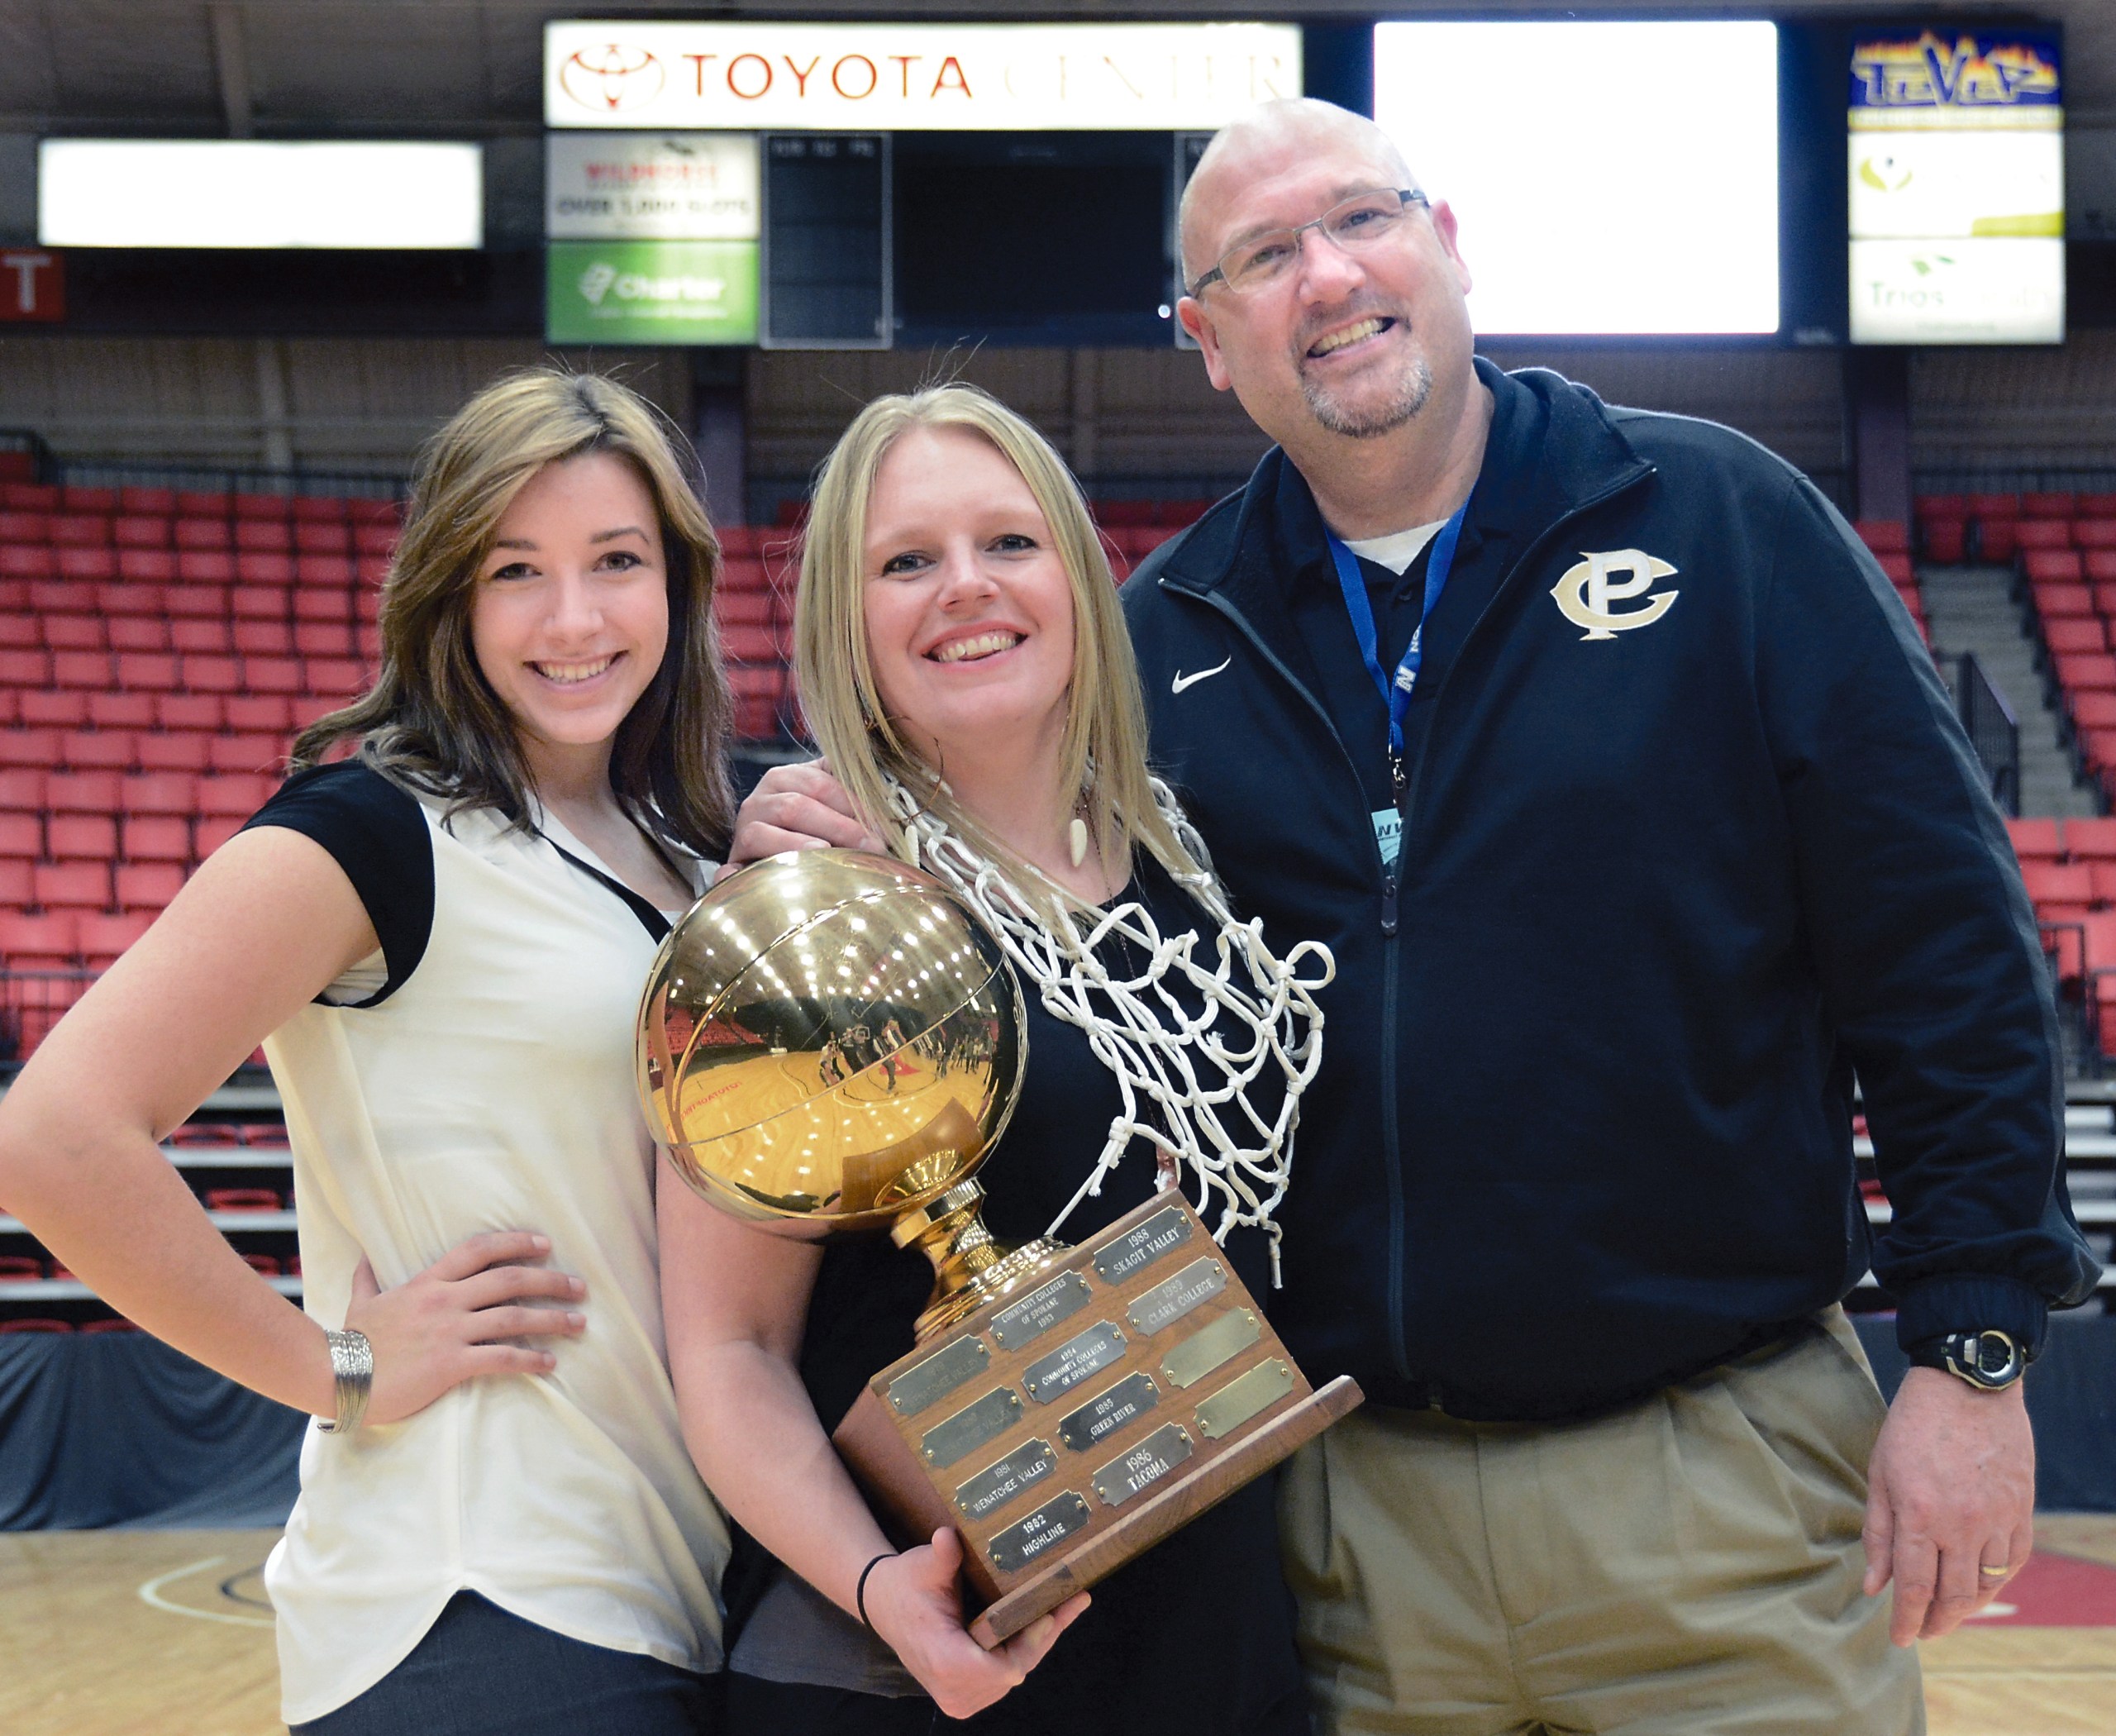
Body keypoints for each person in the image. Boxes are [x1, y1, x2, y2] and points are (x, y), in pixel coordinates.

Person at [1110, 98, 2096, 1733]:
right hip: (1346, 1523)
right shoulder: (1161, 634)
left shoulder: (1722, 521)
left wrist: (1973, 1350)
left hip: (1721, 1486)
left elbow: (1942, 956)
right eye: (1264, 256)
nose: (1327, 275)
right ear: (1207, 340)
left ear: (1448, 248)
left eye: (1361, 220)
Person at [0, 370, 736, 1733]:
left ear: (679, 585)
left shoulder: (695, 851)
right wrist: (330, 1368)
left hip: (675, 1588)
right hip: (476, 1600)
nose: (574, 618)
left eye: (617, 562)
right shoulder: (373, 830)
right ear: (449, 593)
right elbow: (51, 1137)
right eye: (517, 570)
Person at [664, 382, 1332, 1734]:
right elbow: (728, 1348)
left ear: (1080, 578)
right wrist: (875, 1586)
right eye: (907, 561)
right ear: (845, 624)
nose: (965, 587)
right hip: (933, 1671)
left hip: (1218, 1640)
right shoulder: (817, 919)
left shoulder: (1196, 866)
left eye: (1008, 544)